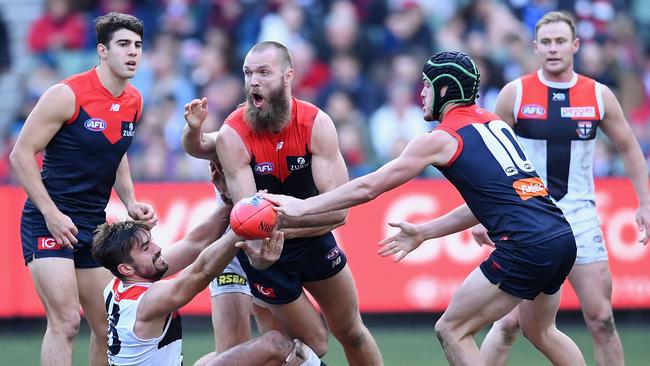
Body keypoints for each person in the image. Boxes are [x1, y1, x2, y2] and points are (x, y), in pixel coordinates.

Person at [265, 50, 586, 366]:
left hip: (526, 245)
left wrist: (303, 208)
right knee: (542, 331)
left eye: (427, 85)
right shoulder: (495, 124)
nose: (421, 93)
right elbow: (497, 200)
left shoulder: (440, 138)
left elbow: (368, 187)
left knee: (452, 330)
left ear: (444, 90)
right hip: (560, 236)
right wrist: (424, 232)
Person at [182, 41, 382, 365]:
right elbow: (250, 220)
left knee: (352, 332)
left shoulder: (316, 123)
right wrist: (274, 235)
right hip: (266, 257)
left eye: (263, 72)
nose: (253, 81)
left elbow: (341, 212)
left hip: (311, 240)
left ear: (288, 76)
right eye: (248, 73)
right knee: (311, 344)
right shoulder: (234, 133)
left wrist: (287, 224)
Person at [474, 11, 650, 366]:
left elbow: (630, 148)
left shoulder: (598, 95)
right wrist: (483, 214)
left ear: (575, 45)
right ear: (536, 47)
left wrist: (645, 203)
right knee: (509, 323)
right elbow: (488, 158)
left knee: (602, 320)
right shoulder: (515, 94)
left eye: (560, 42)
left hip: (581, 217)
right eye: (547, 42)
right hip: (530, 218)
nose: (553, 49)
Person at [10, 12, 156, 366]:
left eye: (137, 45)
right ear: (102, 51)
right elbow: (20, 155)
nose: (133, 52)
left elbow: (115, 149)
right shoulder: (67, 94)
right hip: (49, 223)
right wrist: (51, 213)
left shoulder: (134, 101)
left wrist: (131, 200)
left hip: (94, 227)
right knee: (65, 322)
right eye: (123, 45)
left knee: (107, 327)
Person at [91, 175, 321, 366]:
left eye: (150, 241)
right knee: (274, 345)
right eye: (145, 247)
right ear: (126, 267)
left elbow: (195, 242)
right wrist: (245, 224)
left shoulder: (117, 284)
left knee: (230, 351)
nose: (157, 248)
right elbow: (203, 271)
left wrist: (229, 202)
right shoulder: (149, 300)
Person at [181, 104, 282, 365]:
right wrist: (193, 129)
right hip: (232, 251)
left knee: (280, 344)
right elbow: (196, 144)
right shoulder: (228, 138)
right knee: (232, 352)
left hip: (272, 248)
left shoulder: (286, 144)